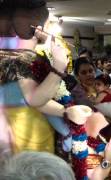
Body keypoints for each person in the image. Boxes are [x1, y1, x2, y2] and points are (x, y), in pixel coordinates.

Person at [0, 0, 91, 153]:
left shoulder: (24, 56)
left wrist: (65, 111)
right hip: (23, 136)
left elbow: (37, 99)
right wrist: (59, 66)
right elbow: (34, 98)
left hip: (30, 130)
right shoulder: (17, 58)